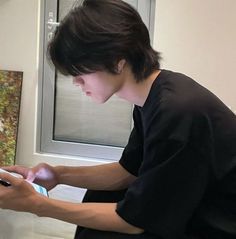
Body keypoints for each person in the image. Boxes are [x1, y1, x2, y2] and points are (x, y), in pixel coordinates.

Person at [0, 0, 236, 238]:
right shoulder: (154, 97)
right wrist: (58, 174)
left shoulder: (178, 112)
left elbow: (136, 221)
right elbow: (128, 171)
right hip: (193, 204)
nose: (76, 81)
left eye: (80, 70)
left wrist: (36, 204)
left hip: (217, 222)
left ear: (117, 60)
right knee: (101, 195)